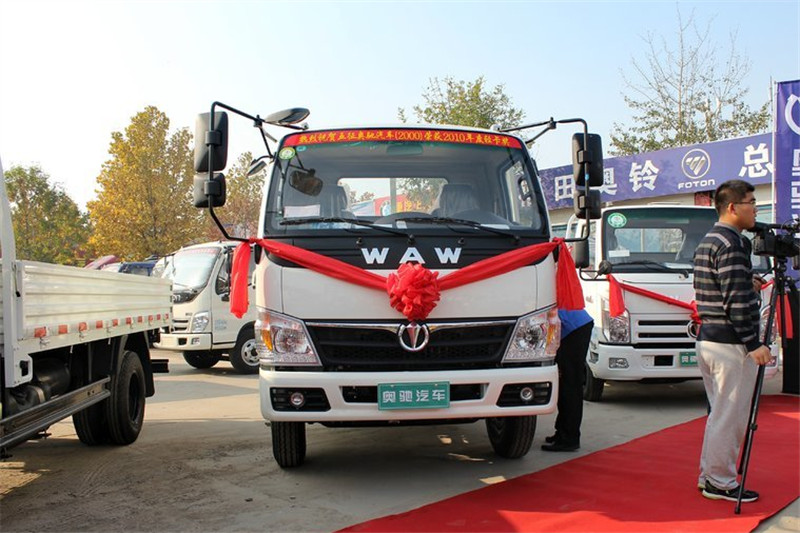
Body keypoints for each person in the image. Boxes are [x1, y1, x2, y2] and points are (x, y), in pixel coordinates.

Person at [693, 179, 772, 503]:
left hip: (711, 339)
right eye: (751, 202)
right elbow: (736, 302)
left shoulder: (710, 240)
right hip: (730, 345)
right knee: (731, 417)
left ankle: (710, 475)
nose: (755, 209)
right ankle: (720, 482)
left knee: (720, 414)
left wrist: (745, 282)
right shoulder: (732, 243)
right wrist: (754, 344)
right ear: (732, 207)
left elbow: (719, 288)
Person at [541, 308, 594, 452]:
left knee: (570, 384)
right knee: (563, 384)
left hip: (574, 329)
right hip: (574, 326)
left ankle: (569, 438)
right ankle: (562, 432)